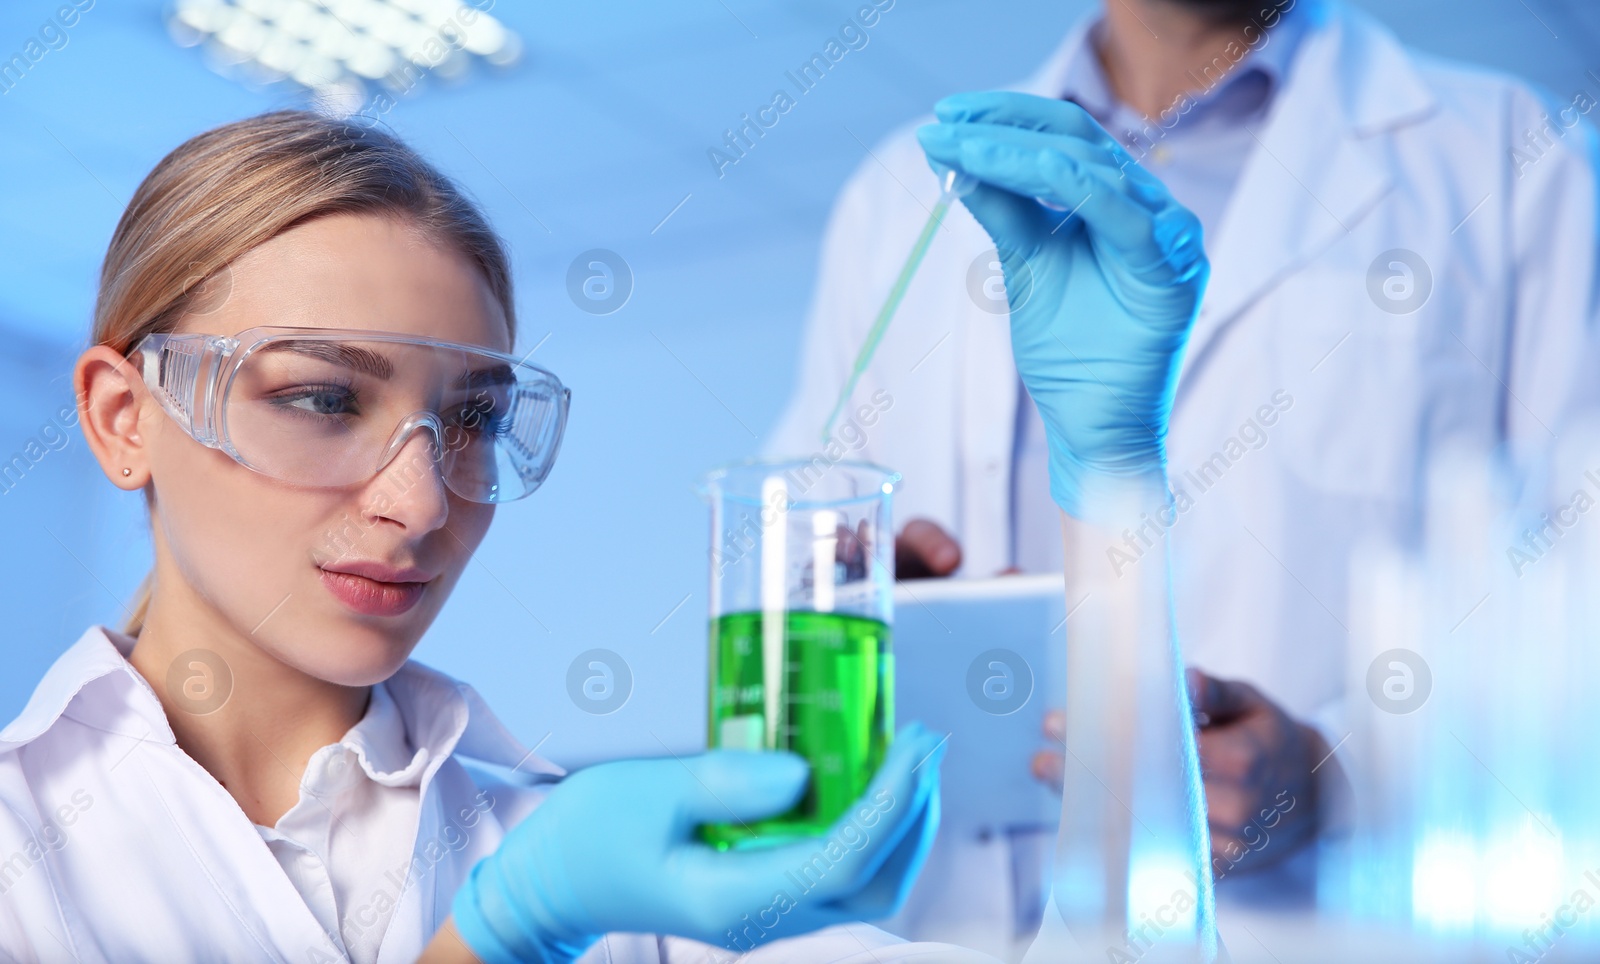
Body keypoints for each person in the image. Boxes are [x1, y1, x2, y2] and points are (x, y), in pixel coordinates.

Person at [0, 112, 1008, 964]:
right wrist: (499, 936)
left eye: (474, 421)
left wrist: (1117, 477)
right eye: (321, 397)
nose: (421, 501)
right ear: (125, 418)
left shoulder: (598, 871)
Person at [766, 0, 1600, 948]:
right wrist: (866, 603)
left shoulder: (1518, 163)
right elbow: (800, 528)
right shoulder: (897, 202)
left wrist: (1339, 776)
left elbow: (1580, 612)